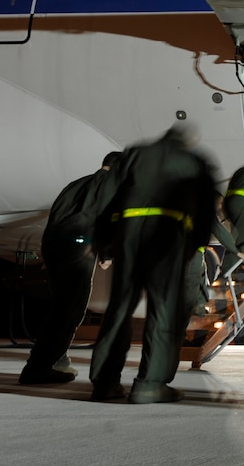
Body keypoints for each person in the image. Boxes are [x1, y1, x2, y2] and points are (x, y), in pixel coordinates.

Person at [87, 124, 219, 404]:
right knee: (163, 310)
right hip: (167, 233)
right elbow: (206, 211)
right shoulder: (195, 161)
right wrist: (192, 246)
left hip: (128, 232)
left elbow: (107, 198)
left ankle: (104, 383)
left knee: (119, 308)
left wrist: (104, 244)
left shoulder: (135, 153)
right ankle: (150, 384)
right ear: (188, 142)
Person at [18, 152, 122, 385]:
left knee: (60, 306)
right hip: (78, 247)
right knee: (71, 310)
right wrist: (107, 253)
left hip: (52, 244)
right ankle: (38, 368)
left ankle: (57, 359)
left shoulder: (75, 184)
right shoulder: (111, 185)